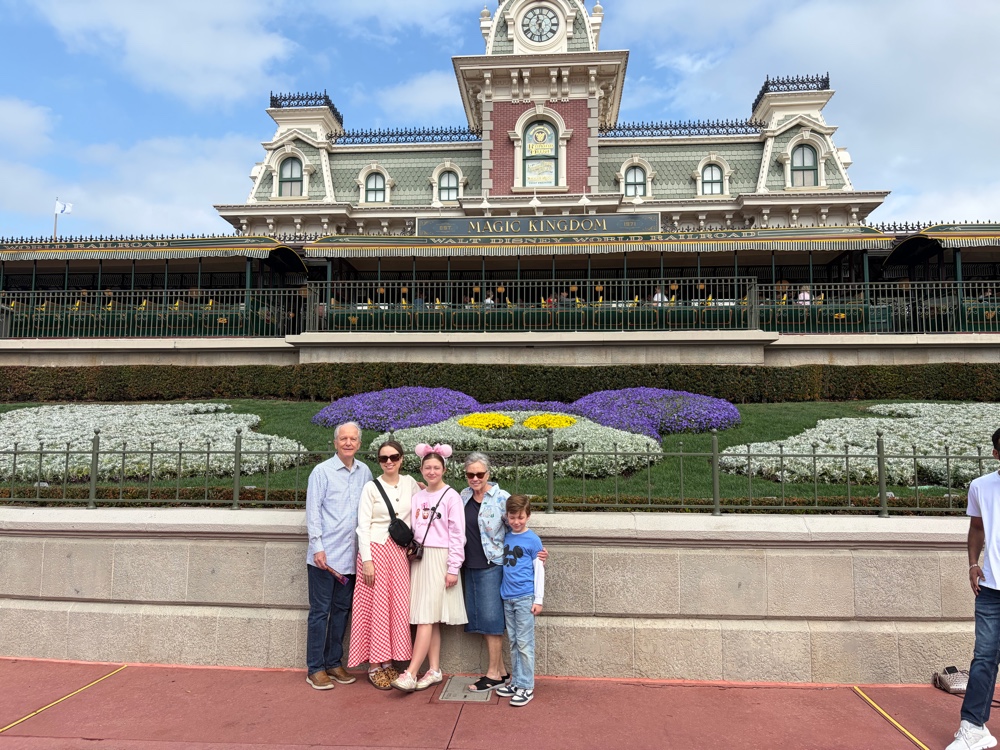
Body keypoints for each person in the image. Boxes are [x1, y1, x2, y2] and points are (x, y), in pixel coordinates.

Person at [391, 443, 467, 692]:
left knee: (424, 617)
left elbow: (457, 534)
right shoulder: (418, 497)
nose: (432, 472)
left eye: (436, 467)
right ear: (421, 469)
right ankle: (434, 669)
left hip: (440, 558)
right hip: (421, 558)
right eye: (427, 467)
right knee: (429, 618)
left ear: (444, 469)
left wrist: (453, 567)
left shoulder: (452, 496)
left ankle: (411, 673)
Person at [304, 421, 373, 691]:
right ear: (335, 443)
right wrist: (317, 546)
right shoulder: (321, 472)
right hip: (325, 558)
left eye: (353, 439)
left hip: (350, 558)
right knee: (320, 613)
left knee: (342, 612)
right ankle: (315, 668)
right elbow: (313, 512)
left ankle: (334, 662)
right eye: (343, 438)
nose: (348, 443)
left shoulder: (365, 472)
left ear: (359, 443)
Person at [347, 440, 420, 690]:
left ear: (402, 459)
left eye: (394, 457)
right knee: (375, 608)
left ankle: (389, 662)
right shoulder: (371, 487)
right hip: (376, 551)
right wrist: (366, 560)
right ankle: (374, 665)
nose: (389, 462)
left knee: (396, 607)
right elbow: (363, 525)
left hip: (398, 553)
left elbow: (425, 504)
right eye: (384, 458)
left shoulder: (410, 483)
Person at [947, 428, 1000, 750]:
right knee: (984, 658)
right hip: (992, 589)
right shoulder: (981, 486)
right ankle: (973, 728)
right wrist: (972, 563)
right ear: (996, 453)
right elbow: (977, 527)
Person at [461, 452, 511, 693]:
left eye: (480, 474)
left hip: (492, 565)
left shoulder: (502, 498)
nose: (475, 478)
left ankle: (492, 674)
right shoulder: (463, 496)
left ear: (488, 473)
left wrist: (535, 551)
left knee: (492, 621)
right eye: (470, 474)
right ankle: (501, 671)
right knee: (482, 619)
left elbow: (517, 528)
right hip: (469, 565)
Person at [495, 495, 545, 707]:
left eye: (521, 517)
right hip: (508, 597)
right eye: (512, 517)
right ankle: (516, 682)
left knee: (525, 643)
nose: (516, 521)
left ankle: (527, 686)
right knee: (514, 641)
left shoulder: (533, 540)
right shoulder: (507, 536)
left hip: (525, 597)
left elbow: (539, 570)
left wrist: (538, 599)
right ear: (507, 516)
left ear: (528, 516)